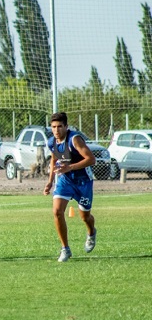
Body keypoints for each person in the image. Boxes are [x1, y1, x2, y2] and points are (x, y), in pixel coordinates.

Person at [43, 112, 97, 262]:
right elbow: (54, 159)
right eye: (53, 127)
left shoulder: (75, 139)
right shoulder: (51, 142)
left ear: (66, 126)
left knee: (85, 217)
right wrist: (50, 181)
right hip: (65, 181)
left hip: (83, 181)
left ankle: (91, 233)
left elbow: (91, 159)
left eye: (60, 126)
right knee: (57, 211)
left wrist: (70, 167)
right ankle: (65, 249)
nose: (56, 130)